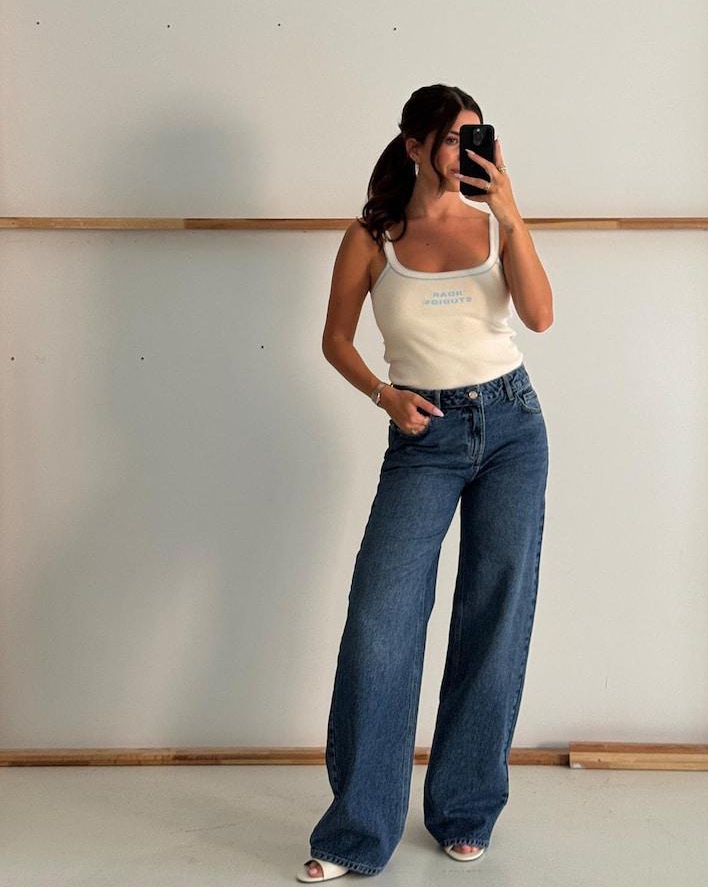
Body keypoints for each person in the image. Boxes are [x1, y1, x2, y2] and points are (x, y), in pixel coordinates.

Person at [298, 84, 552, 881]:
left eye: (474, 135)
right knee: (381, 619)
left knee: (493, 614)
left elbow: (540, 317)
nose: (463, 150)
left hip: (512, 427)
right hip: (423, 435)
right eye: (448, 138)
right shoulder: (372, 235)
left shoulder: (495, 221)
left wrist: (512, 213)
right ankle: (356, 832)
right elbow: (336, 339)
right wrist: (384, 395)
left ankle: (465, 810)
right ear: (413, 146)